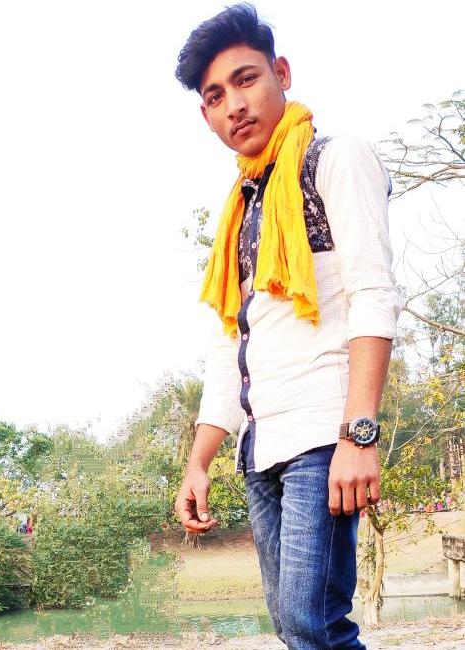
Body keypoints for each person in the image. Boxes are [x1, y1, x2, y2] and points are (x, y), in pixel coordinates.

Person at [173, 4, 403, 649]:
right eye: (215, 97)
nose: (234, 105)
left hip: (323, 435)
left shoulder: (334, 160)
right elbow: (231, 343)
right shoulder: (242, 207)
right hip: (261, 449)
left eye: (246, 80)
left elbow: (373, 294)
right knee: (297, 629)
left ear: (282, 73)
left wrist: (358, 434)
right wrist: (199, 461)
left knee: (312, 624)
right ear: (206, 115)